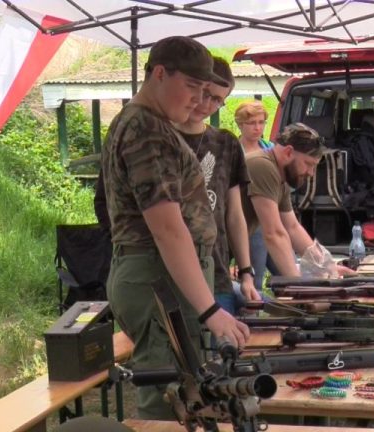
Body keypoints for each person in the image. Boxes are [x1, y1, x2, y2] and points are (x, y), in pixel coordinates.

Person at [101, 36, 250, 419]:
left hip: (165, 277)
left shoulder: (152, 124)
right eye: (191, 87)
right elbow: (168, 229)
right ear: (160, 73)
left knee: (186, 393)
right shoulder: (146, 129)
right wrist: (210, 310)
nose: (198, 101)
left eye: (206, 91)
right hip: (159, 279)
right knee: (167, 404)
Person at [174, 57, 260, 315]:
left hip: (217, 270)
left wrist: (246, 272)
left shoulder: (225, 143)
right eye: (206, 94)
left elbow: (234, 215)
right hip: (170, 271)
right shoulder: (162, 138)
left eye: (218, 100)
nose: (208, 105)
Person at [242, 123, 354, 278]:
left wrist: (327, 267)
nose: (311, 173)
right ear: (288, 152)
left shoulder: (280, 175)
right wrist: (299, 286)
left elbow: (292, 227)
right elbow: (274, 233)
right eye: (308, 164)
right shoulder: (262, 165)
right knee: (255, 299)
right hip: (209, 257)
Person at [234, 100, 278, 291]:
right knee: (255, 279)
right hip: (250, 222)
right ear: (240, 125)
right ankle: (252, 318)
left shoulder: (270, 148)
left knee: (290, 274)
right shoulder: (234, 151)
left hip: (274, 218)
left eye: (261, 122)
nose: (257, 127)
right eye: (252, 123)